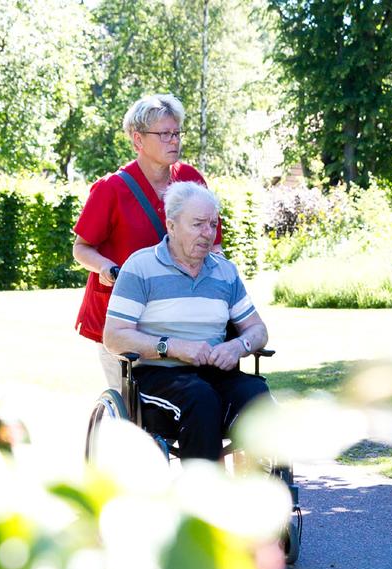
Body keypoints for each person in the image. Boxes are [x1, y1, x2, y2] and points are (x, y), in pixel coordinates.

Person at [102, 182, 270, 461]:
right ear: (171, 225)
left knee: (258, 394)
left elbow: (258, 329)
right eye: (198, 224)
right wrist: (174, 347)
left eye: (213, 224)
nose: (208, 233)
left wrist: (238, 347)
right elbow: (114, 337)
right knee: (200, 399)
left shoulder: (225, 272)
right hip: (160, 375)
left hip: (216, 373)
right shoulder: (140, 267)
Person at [72, 94, 221, 390]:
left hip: (179, 316)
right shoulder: (111, 189)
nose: (174, 140)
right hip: (123, 316)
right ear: (137, 139)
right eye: (164, 134)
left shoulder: (190, 181)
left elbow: (213, 244)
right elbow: (81, 248)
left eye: (177, 133)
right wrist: (108, 268)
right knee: (132, 409)